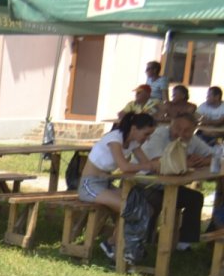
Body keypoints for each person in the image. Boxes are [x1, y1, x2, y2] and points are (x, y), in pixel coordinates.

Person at [78, 112, 159, 264]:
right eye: (146, 134)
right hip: (89, 185)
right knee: (130, 208)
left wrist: (157, 165)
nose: (147, 138)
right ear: (134, 129)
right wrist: (149, 166)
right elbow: (125, 166)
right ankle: (121, 247)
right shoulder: (114, 139)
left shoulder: (133, 143)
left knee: (145, 208)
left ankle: (116, 244)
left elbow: (145, 165)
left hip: (105, 183)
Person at [139, 113, 214, 250]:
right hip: (144, 182)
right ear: (171, 125)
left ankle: (184, 242)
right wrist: (186, 163)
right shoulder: (158, 135)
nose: (181, 133)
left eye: (187, 130)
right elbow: (159, 164)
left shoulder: (192, 140)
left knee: (195, 198)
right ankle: (144, 240)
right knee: (154, 201)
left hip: (168, 186)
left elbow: (214, 155)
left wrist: (204, 160)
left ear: (194, 131)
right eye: (178, 128)